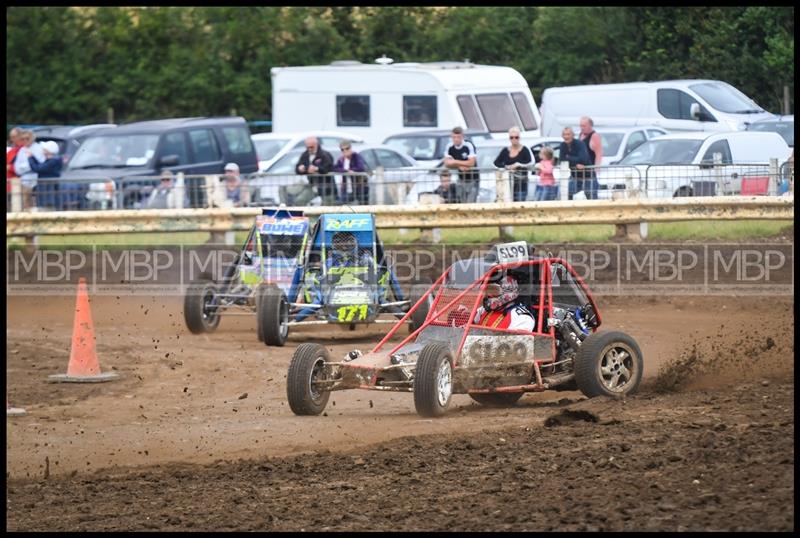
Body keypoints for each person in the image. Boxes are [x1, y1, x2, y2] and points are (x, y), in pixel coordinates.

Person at [493, 126, 533, 201]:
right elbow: (496, 162)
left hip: (521, 183)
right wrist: (506, 167)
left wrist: (518, 165)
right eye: (511, 137)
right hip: (507, 184)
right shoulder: (505, 151)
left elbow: (529, 162)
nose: (514, 139)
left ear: (519, 138)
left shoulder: (525, 150)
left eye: (516, 137)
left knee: (520, 203)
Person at [295, 136, 335, 205]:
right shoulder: (305, 155)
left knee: (327, 207)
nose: (309, 149)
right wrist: (300, 169)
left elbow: (329, 168)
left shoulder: (325, 154)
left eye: (311, 147)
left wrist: (317, 169)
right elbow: (297, 168)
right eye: (308, 147)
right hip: (312, 185)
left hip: (326, 187)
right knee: (300, 200)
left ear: (316, 144)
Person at [444, 126, 479, 203]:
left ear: (462, 136)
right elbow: (447, 163)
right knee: (461, 202)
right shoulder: (449, 147)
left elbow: (471, 162)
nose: (456, 139)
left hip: (473, 178)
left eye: (458, 137)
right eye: (454, 137)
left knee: (471, 202)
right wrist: (460, 165)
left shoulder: (468, 145)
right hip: (461, 178)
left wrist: (455, 162)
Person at [25, 140, 62, 209]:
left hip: (48, 192)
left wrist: (30, 158)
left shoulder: (54, 161)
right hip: (45, 191)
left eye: (44, 149)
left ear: (49, 150)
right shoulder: (51, 160)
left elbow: (38, 168)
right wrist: (32, 157)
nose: (42, 150)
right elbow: (40, 166)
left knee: (47, 208)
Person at [14, 130, 45, 210]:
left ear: (32, 138)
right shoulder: (22, 150)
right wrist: (27, 167)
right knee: (25, 205)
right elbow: (17, 168)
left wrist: (25, 167)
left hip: (35, 181)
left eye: (27, 138)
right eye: (22, 139)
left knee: (35, 204)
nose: (24, 141)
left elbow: (38, 165)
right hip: (24, 182)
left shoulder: (39, 148)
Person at [558, 127, 592, 200]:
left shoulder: (580, 144)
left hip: (588, 175)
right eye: (564, 134)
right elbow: (562, 159)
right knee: (567, 193)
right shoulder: (563, 145)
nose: (566, 136)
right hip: (575, 175)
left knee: (591, 196)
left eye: (568, 134)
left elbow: (583, 159)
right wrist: (575, 164)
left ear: (573, 135)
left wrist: (568, 157)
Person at [333, 140, 370, 205]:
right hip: (347, 188)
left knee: (363, 207)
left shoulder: (356, 156)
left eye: (347, 148)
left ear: (350, 148)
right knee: (339, 204)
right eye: (342, 149)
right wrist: (346, 171)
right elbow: (335, 168)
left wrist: (352, 170)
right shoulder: (341, 159)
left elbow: (361, 167)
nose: (345, 151)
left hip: (360, 186)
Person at [578, 116, 602, 199]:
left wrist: (596, 168)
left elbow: (599, 153)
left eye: (584, 126)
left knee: (591, 195)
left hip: (590, 171)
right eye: (580, 126)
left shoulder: (594, 136)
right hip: (580, 171)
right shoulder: (581, 135)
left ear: (590, 125)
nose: (582, 128)